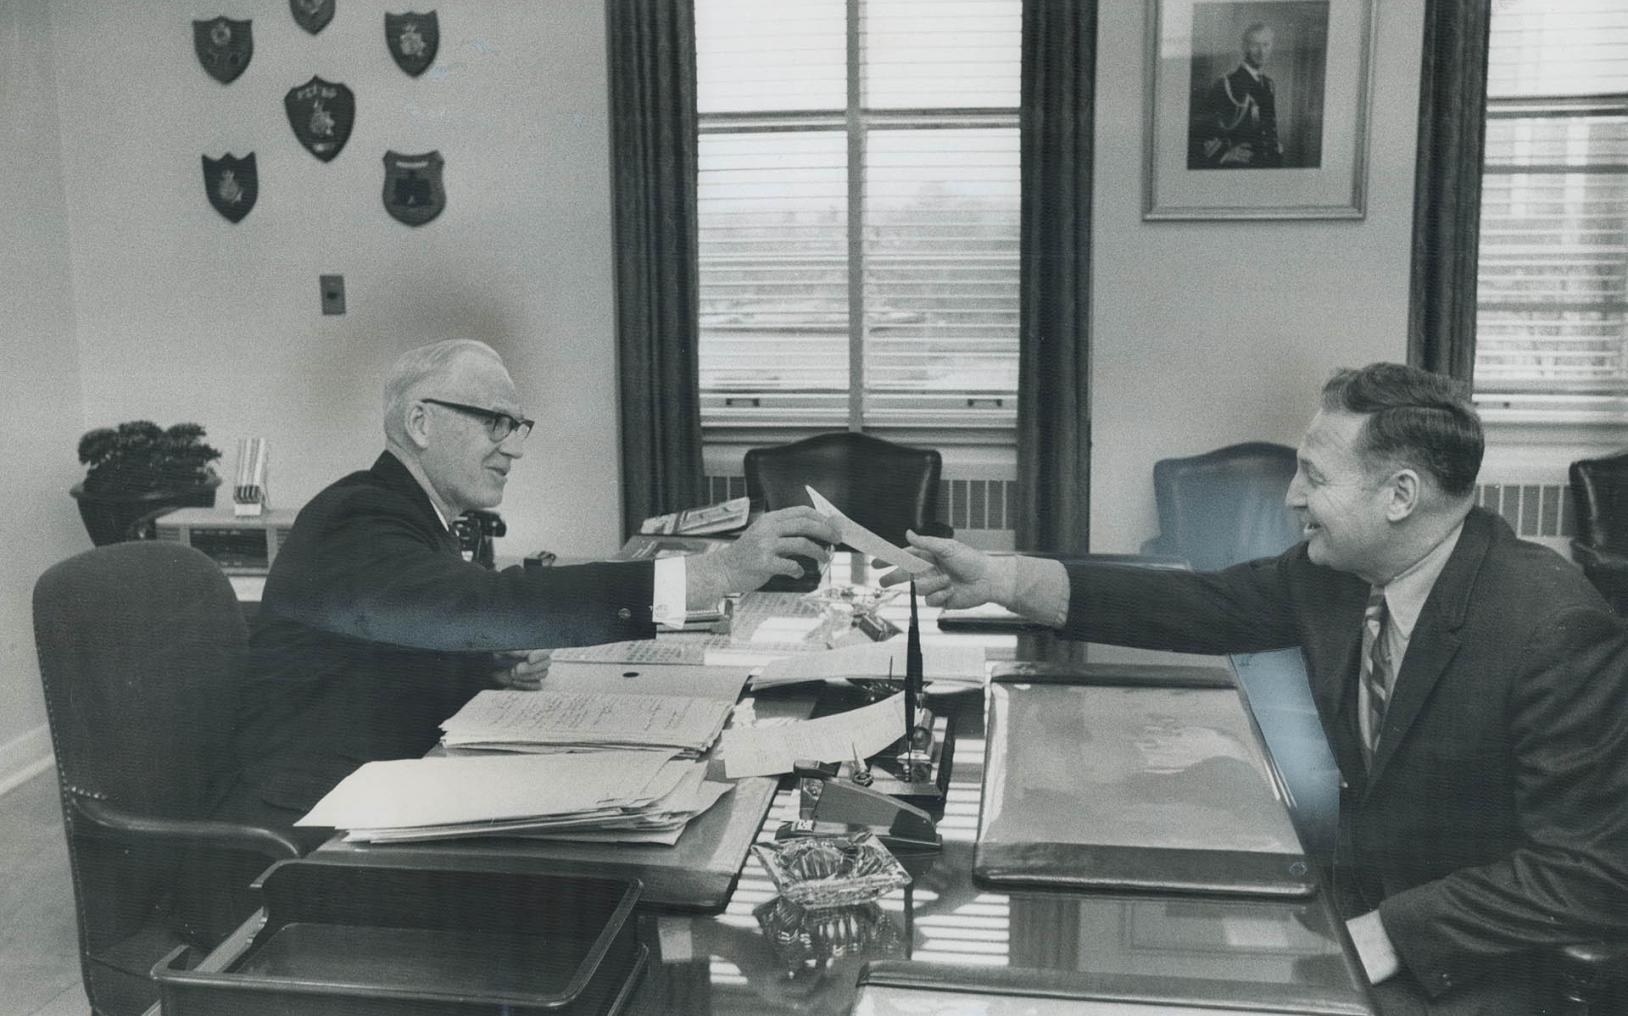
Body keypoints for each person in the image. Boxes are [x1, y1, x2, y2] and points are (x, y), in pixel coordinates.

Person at [892, 363, 1628, 1014]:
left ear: (1400, 495)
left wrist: (1383, 937)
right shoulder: (1336, 574)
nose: (1290, 495)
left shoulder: (1554, 629)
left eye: (1315, 475)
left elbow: (1591, 872)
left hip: (1477, 963)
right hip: (1364, 903)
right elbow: (1198, 605)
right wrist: (998, 578)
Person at [222, 339, 840, 834]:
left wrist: (485, 665)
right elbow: (479, 606)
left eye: (518, 427)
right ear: (420, 422)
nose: (513, 449)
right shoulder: (356, 518)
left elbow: (392, 644)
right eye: (495, 423)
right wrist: (714, 575)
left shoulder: (409, 516)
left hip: (377, 795)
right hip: (308, 831)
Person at [1189, 22, 1283, 168]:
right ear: (1245, 47)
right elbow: (1200, 127)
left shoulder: (1268, 83)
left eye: (1266, 45)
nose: (1261, 52)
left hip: (1269, 163)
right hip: (1243, 166)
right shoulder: (1227, 83)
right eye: (1255, 45)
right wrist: (1223, 154)